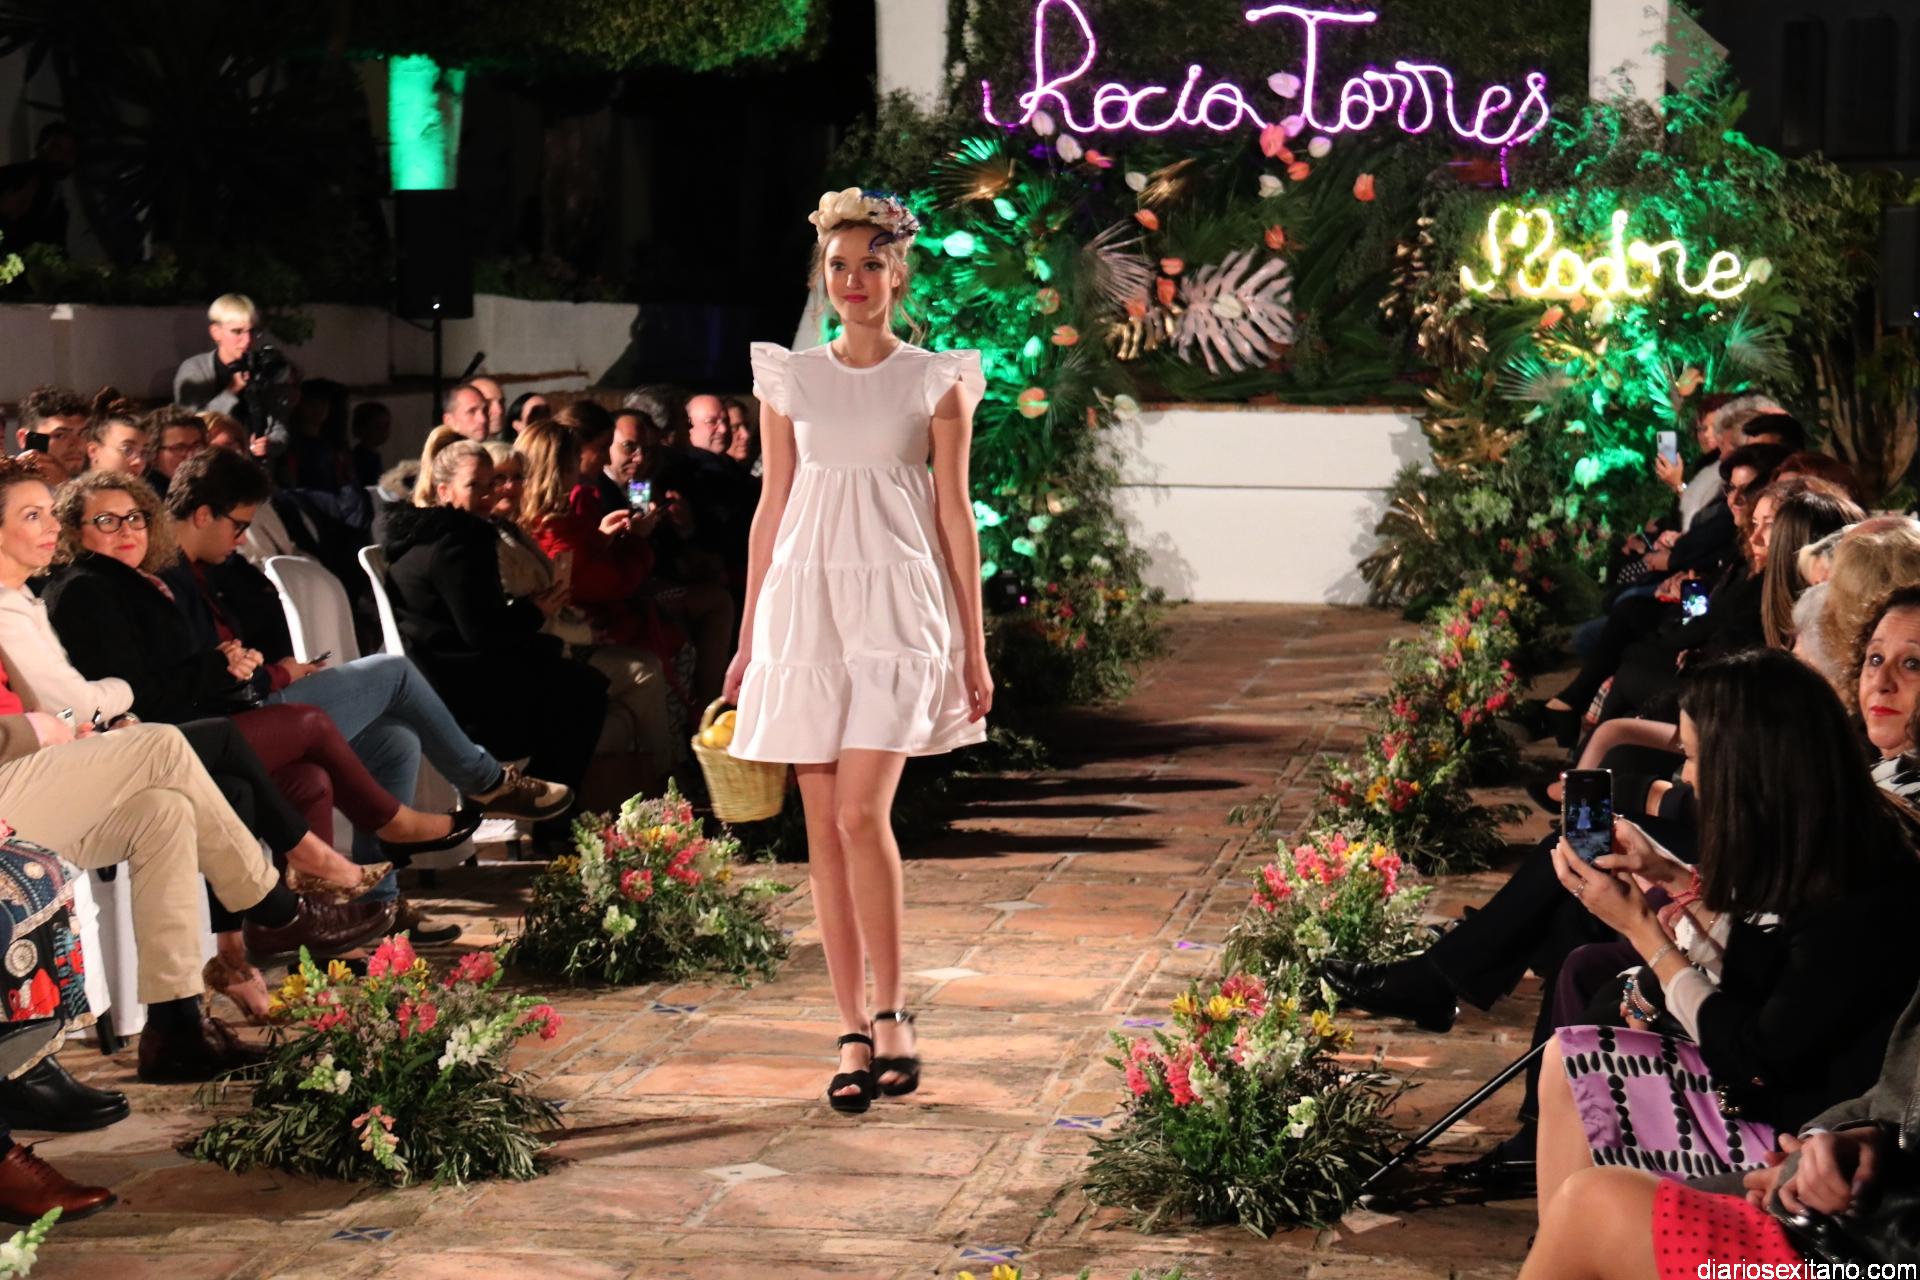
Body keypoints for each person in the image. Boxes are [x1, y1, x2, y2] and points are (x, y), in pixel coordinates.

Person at [727, 189, 992, 1113]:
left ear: (897, 274)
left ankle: (893, 1011)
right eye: (838, 266)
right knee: (824, 829)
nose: (854, 280)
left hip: (898, 610)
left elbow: (956, 516)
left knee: (858, 814)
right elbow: (771, 509)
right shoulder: (790, 379)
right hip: (806, 611)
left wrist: (973, 646)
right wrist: (749, 637)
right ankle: (850, 1031)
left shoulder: (936, 379)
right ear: (822, 277)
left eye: (871, 264)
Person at [381, 436, 611, 832]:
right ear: (444, 490)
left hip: (439, 680)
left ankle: (544, 810)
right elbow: (484, 633)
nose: (489, 495)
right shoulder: (459, 541)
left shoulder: (421, 537)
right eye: (475, 485)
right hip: (463, 698)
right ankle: (543, 815)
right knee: (584, 691)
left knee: (576, 681)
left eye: (492, 484)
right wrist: (536, 613)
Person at [172, 294, 295, 459]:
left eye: (252, 331)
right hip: (209, 465)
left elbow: (280, 426)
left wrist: (270, 444)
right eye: (237, 331)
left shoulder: (261, 367)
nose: (247, 340)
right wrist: (232, 389)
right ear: (216, 332)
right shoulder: (196, 369)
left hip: (253, 468)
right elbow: (191, 425)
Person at [12, 386, 89, 485]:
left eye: (83, 434)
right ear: (24, 439)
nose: (76, 444)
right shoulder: (6, 488)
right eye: (60, 435)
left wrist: (63, 484)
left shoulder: (99, 487)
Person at [80, 391, 147, 478]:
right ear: (93, 451)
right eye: (127, 450)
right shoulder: (73, 487)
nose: (139, 461)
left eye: (144, 453)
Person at [146, 408, 207, 498]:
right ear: (152, 452)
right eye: (179, 448)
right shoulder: (144, 497)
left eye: (197, 446)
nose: (191, 456)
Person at [350, 401, 391, 488]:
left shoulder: (373, 456)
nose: (383, 431)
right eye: (378, 426)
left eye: (386, 426)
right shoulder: (361, 458)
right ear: (363, 428)